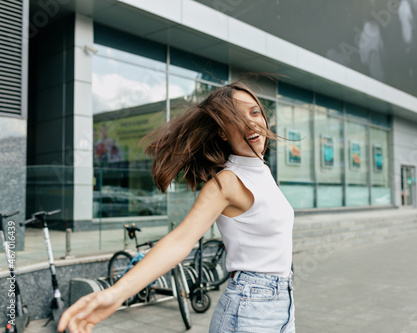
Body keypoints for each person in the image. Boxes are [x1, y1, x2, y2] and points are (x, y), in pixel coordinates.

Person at [58, 82, 295, 333]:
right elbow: (179, 241)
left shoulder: (263, 171)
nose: (250, 123)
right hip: (250, 307)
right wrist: (115, 294)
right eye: (235, 118)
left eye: (254, 112)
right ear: (223, 133)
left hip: (282, 302)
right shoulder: (227, 181)